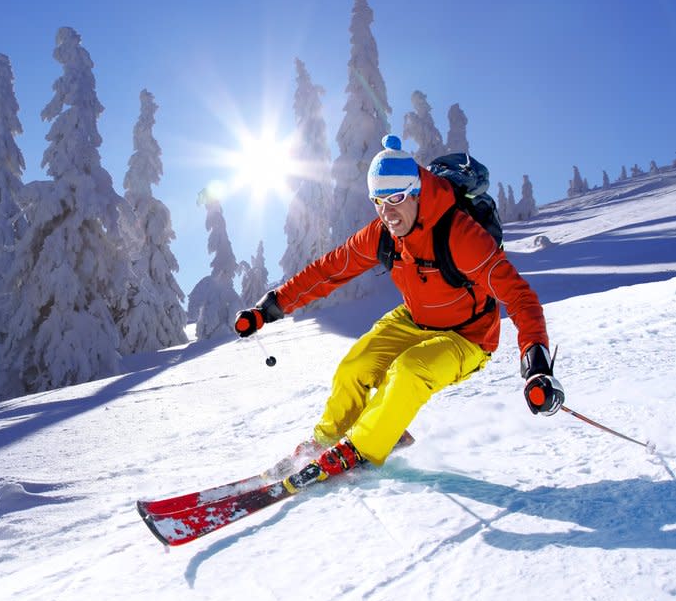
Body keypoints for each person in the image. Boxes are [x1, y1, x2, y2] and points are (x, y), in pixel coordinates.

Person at [235, 134, 564, 476]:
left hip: (468, 335)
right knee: (355, 366)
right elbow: (329, 270)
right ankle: (326, 440)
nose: (388, 213)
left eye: (395, 198)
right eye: (378, 201)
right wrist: (269, 308)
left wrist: (536, 362)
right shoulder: (382, 234)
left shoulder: (460, 235)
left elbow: (519, 296)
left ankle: (361, 448)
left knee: (408, 370)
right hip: (414, 319)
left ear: (417, 191)